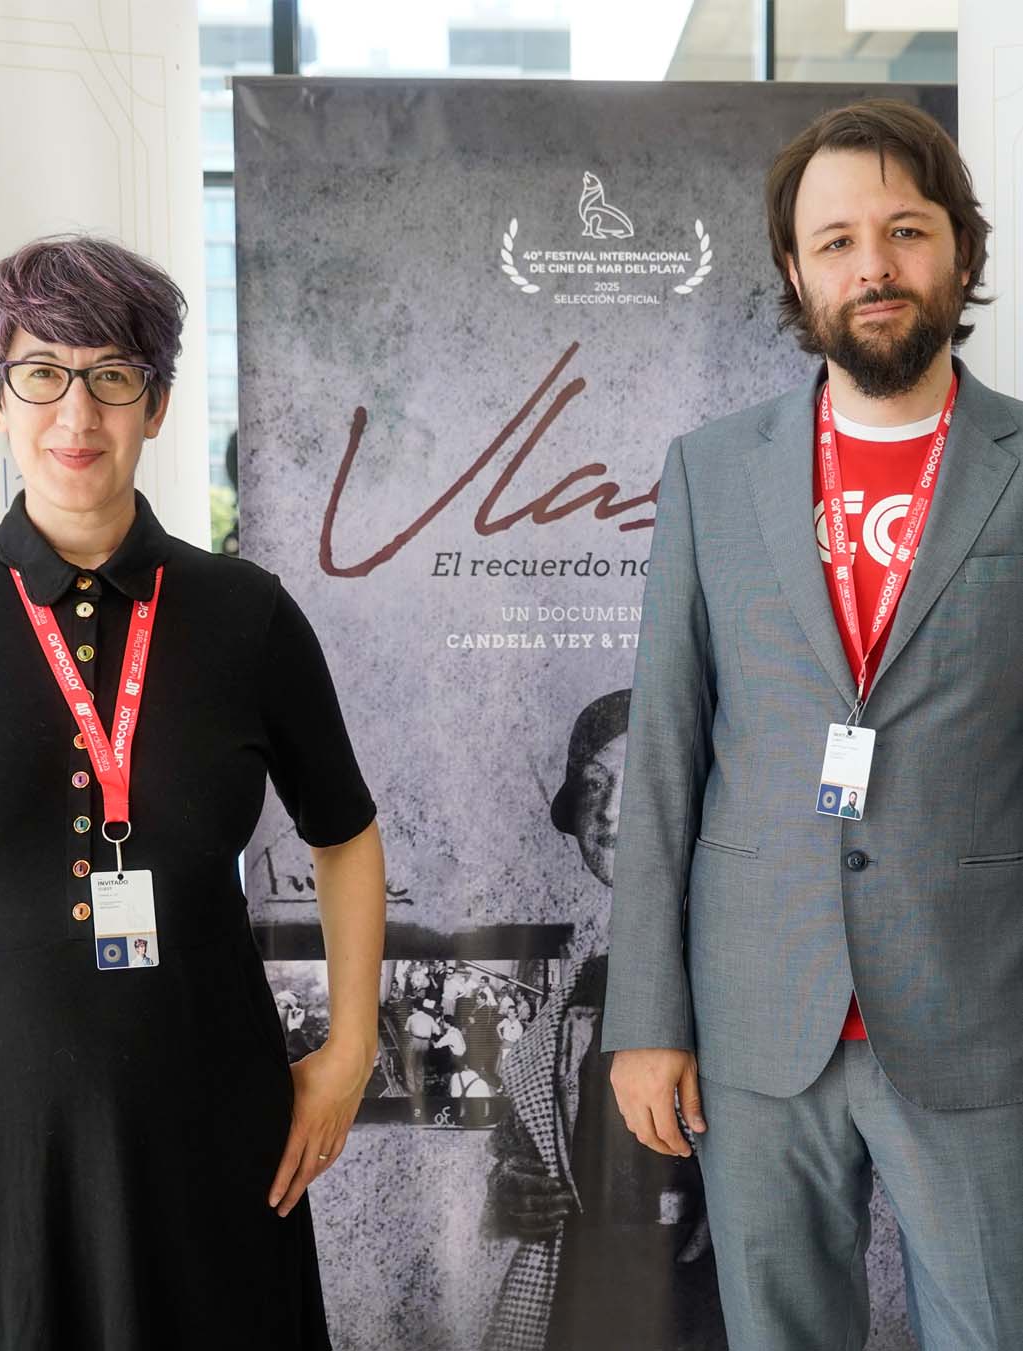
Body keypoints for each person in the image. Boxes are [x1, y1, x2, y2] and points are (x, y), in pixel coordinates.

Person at [604, 98, 1023, 1350]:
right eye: (835, 240)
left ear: (960, 248)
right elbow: (664, 753)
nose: (872, 265)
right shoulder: (711, 469)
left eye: (904, 230)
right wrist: (646, 1020)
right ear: (794, 271)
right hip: (756, 1018)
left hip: (981, 1016)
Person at [0, 234, 386, 1349]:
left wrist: (350, 1048)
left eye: (112, 374)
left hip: (211, 1127)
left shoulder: (247, 613)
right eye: (41, 372)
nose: (76, 412)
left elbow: (345, 833)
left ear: (159, 402)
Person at [485, 691, 725, 1351]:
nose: (613, 811)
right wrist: (515, 1189)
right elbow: (528, 1138)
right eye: (594, 785)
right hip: (590, 1299)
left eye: (641, 779)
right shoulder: (576, 988)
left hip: (712, 1305)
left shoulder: (743, 971)